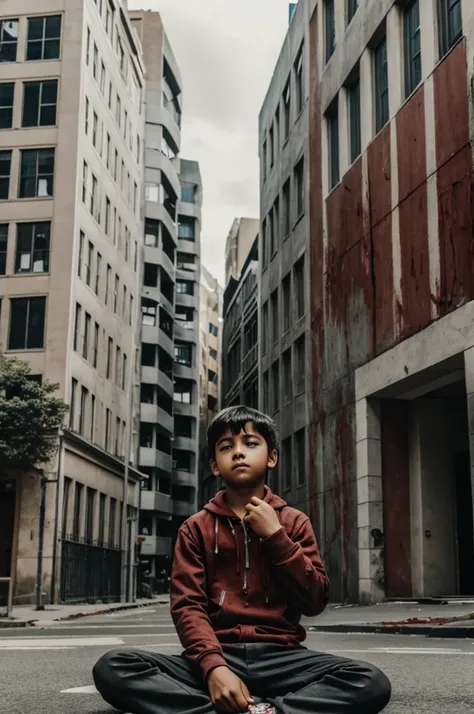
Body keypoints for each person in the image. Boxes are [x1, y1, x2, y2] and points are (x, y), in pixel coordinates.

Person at [93, 406, 391, 714]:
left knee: (369, 682)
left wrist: (276, 537)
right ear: (215, 466)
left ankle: (263, 711)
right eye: (226, 447)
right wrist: (213, 668)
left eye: (250, 443)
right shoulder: (196, 528)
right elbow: (188, 607)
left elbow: (314, 600)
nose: (238, 452)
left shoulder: (293, 522)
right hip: (217, 654)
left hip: (283, 658)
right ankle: (248, 707)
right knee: (114, 667)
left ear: (271, 457)